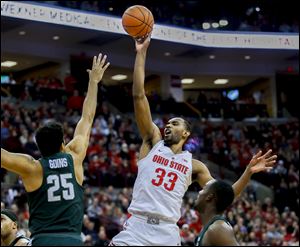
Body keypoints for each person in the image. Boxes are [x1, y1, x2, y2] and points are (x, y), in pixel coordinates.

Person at [110, 36, 277, 246]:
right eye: (167, 123)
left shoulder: (195, 166)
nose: (168, 126)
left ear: (186, 133)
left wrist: (248, 173)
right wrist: (141, 53)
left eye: (175, 123)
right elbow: (138, 96)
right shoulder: (153, 141)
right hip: (137, 227)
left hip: (167, 233)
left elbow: (225, 195)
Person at [1, 53, 110, 246]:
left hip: (43, 240)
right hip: (73, 240)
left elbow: (4, 156)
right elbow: (88, 116)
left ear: (39, 147)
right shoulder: (74, 156)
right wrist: (93, 82)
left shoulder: (32, 167)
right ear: (62, 143)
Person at [194, 180, 238, 246]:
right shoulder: (211, 226)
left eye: (203, 189)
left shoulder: (218, 229)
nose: (199, 192)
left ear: (209, 197)